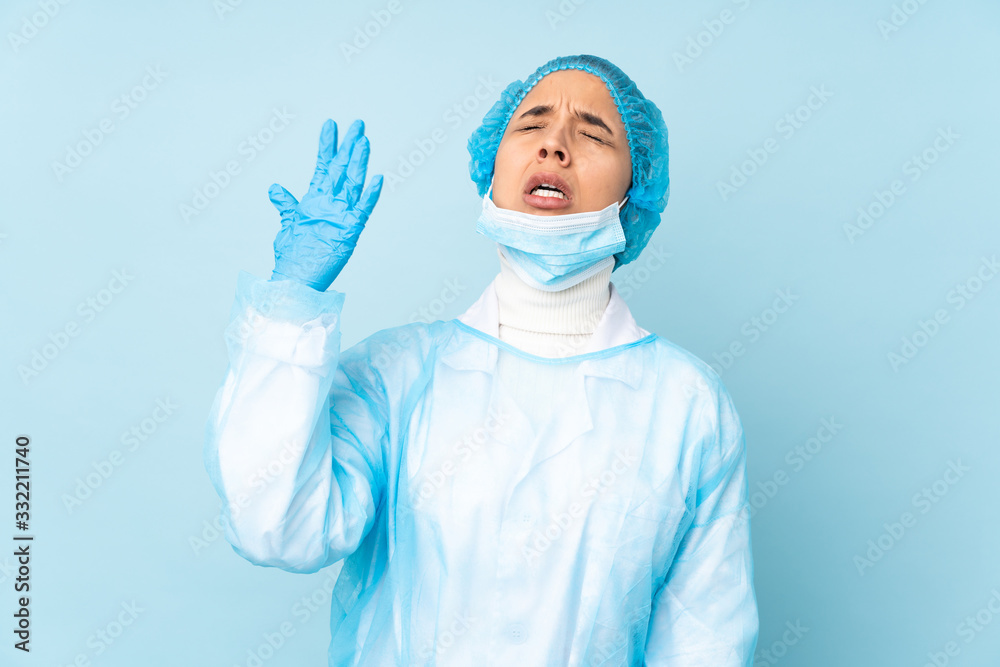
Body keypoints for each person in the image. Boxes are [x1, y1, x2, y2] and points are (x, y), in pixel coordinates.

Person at [203, 54, 759, 666]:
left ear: (636, 189)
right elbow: (275, 527)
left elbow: (705, 643)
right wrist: (292, 301)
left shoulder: (687, 407)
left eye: (593, 134)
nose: (553, 145)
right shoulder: (396, 376)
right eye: (532, 124)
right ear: (492, 167)